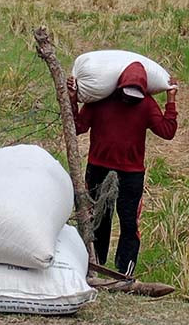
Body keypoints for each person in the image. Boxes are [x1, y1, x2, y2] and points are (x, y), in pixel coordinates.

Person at [67, 64, 178, 276]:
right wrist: (72, 98)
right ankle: (94, 267)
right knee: (98, 219)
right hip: (101, 169)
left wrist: (171, 99)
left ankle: (125, 273)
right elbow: (78, 126)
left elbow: (167, 131)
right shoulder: (101, 100)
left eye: (135, 95)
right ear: (119, 87)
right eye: (127, 94)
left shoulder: (146, 104)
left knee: (128, 222)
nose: (130, 99)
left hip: (130, 174)